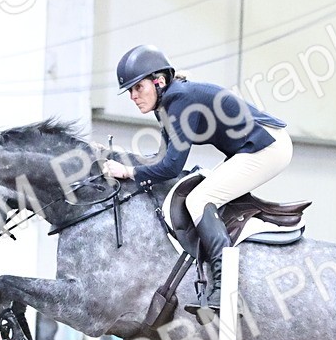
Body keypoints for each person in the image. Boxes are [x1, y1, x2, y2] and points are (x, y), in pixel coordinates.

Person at [102, 44, 293, 312]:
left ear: (158, 81)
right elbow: (162, 158)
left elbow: (170, 166)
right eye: (130, 91)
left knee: (200, 198)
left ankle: (225, 289)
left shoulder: (178, 100)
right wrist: (127, 163)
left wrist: (130, 172)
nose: (133, 96)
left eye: (138, 88)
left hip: (267, 146)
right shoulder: (167, 103)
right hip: (253, 147)